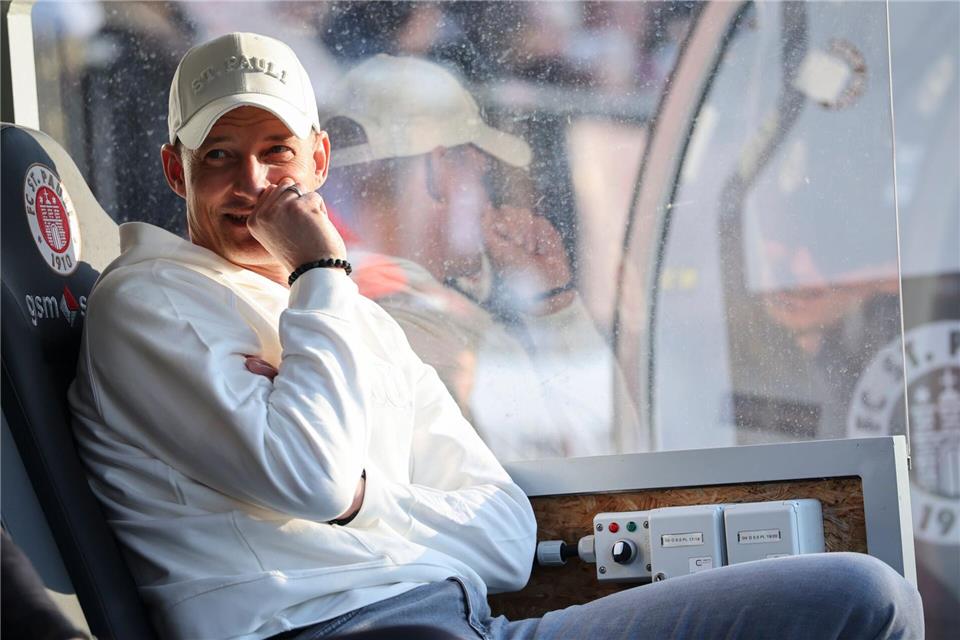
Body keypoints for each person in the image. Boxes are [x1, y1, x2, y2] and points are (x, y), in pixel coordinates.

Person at [69, 32, 923, 640]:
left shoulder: (355, 315)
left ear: (318, 162)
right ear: (176, 170)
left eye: (275, 153)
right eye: (218, 157)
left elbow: (508, 540)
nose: (252, 183)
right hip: (329, 628)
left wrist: (373, 499)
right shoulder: (155, 304)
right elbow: (315, 475)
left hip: (463, 615)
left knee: (861, 593)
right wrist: (322, 277)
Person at [321, 54, 643, 460]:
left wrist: (547, 298)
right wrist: (557, 313)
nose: (486, 193)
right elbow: (609, 454)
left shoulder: (327, 294)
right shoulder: (439, 333)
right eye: (476, 169)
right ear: (438, 170)